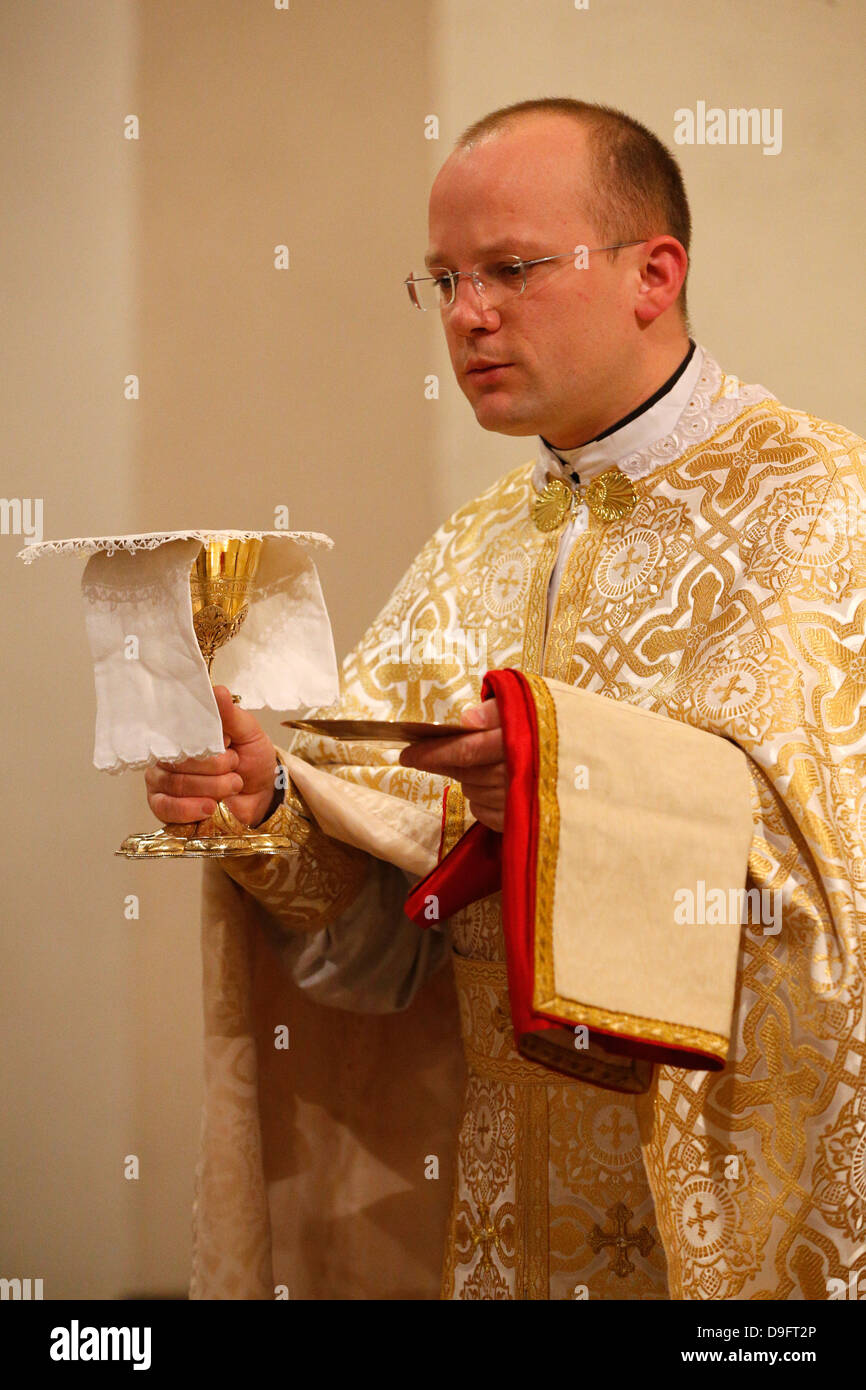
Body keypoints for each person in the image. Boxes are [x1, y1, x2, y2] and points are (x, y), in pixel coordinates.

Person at [148, 99, 866, 1301]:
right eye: (441, 279)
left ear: (653, 273)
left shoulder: (826, 510)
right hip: (512, 1193)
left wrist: (555, 780)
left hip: (735, 1198)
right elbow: (381, 929)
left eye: (511, 270)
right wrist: (269, 802)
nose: (467, 314)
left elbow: (832, 882)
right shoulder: (471, 547)